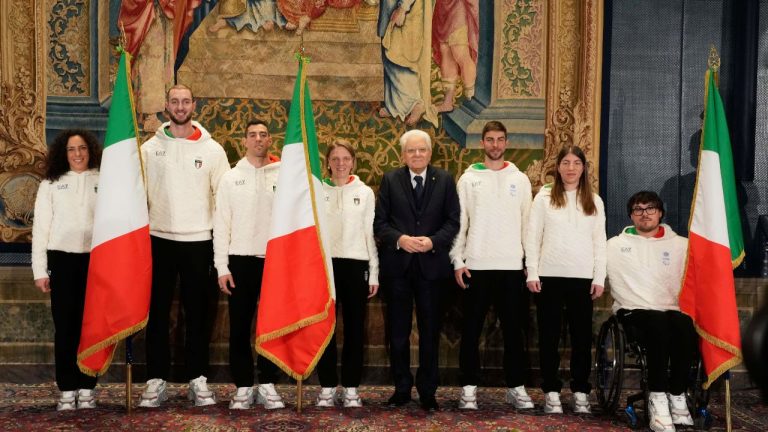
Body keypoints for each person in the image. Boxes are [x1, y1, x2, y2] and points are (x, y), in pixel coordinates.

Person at [139, 84, 230, 408]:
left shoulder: (213, 150)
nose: (180, 107)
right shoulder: (149, 149)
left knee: (198, 314)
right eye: (175, 101)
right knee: (157, 313)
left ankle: (197, 378)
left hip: (199, 241)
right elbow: (138, 197)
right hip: (159, 239)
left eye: (185, 101)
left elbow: (224, 200)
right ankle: (156, 379)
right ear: (167, 105)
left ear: (194, 105)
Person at [374, 129, 460, 412]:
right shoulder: (390, 180)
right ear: (403, 155)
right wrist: (400, 239)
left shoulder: (445, 180)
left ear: (430, 153)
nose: (417, 154)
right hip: (398, 269)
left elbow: (453, 221)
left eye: (422, 150)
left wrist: (432, 241)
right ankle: (401, 389)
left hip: (432, 269)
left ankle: (427, 391)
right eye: (411, 150)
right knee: (398, 333)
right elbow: (380, 223)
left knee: (430, 333)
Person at [450, 121, 534, 410]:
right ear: (482, 143)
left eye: (499, 139)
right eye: (490, 139)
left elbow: (527, 224)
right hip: (476, 265)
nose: (495, 144)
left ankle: (516, 386)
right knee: (471, 330)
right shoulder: (468, 179)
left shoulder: (520, 179)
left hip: (511, 267)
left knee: (513, 331)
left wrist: (529, 263)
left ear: (506, 142)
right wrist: (457, 260)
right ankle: (468, 388)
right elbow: (460, 223)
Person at [525, 145, 606, 414]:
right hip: (549, 277)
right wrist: (532, 271)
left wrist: (599, 276)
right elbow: (533, 236)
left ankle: (581, 391)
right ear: (558, 167)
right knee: (549, 337)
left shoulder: (594, 201)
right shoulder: (544, 198)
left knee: (581, 338)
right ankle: (551, 391)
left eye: (576, 163)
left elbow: (599, 242)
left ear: (583, 168)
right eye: (566, 163)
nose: (571, 168)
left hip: (582, 278)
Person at [607, 191, 696, 432]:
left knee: (684, 324)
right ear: (631, 215)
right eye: (638, 209)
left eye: (650, 209)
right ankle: (657, 396)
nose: (644, 214)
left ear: (660, 213)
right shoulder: (614, 245)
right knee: (658, 323)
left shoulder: (682, 245)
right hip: (632, 309)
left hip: (671, 309)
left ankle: (677, 394)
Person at [213, 119, 286, 410]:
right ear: (244, 140)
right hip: (240, 262)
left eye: (263, 134)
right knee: (240, 327)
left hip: (275, 262)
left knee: (273, 326)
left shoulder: (284, 175)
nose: (258, 139)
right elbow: (221, 224)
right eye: (252, 135)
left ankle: (268, 383)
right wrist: (222, 267)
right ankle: (243, 386)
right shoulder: (231, 178)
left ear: (270, 140)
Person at [32, 129, 102, 410]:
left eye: (82, 148)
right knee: (65, 327)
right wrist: (40, 270)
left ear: (90, 150)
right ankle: (67, 388)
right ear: (64, 153)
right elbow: (41, 229)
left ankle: (87, 387)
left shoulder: (103, 180)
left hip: (95, 261)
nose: (77, 154)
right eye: (72, 149)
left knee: (92, 327)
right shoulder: (51, 184)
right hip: (61, 261)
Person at [315, 139, 379, 408]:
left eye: (345, 158)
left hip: (356, 265)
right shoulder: (317, 190)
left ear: (353, 162)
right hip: (325, 266)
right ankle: (328, 386)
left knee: (354, 328)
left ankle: (351, 387)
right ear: (328, 163)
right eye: (335, 159)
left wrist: (373, 272)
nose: (340, 163)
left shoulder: (364, 193)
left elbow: (370, 234)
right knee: (325, 329)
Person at [377, 0, 439, 126]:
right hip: (393, 5)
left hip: (410, 9)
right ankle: (396, 107)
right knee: (390, 55)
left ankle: (416, 103)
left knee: (402, 58)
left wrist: (403, 8)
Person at [432, 0, 479, 112]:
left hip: (458, 6)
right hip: (443, 7)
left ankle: (471, 98)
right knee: (445, 52)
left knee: (460, 52)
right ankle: (447, 102)